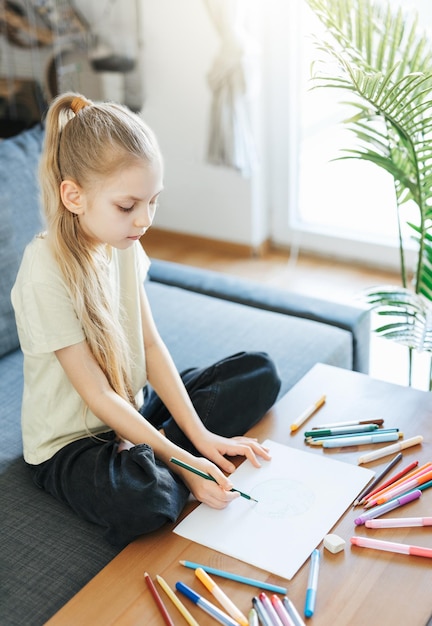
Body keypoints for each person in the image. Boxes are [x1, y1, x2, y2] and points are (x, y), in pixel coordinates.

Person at [11, 92, 281, 547]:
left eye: (153, 202)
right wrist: (186, 462)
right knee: (147, 501)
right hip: (74, 443)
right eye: (128, 206)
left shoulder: (123, 243)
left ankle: (156, 449)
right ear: (74, 195)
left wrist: (200, 434)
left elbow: (151, 346)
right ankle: (161, 459)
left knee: (259, 372)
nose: (145, 220)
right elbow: (96, 394)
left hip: (133, 409)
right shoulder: (44, 272)